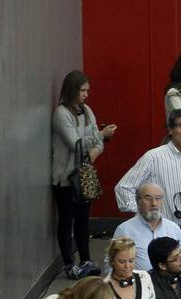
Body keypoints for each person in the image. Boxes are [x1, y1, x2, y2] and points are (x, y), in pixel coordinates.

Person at [114, 109, 181, 266]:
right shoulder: (154, 157)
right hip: (169, 233)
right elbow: (123, 188)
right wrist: (147, 212)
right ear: (170, 129)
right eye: (180, 126)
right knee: (172, 282)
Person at [52, 70, 113, 278]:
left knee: (83, 220)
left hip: (84, 175)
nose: (86, 94)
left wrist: (96, 148)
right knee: (66, 220)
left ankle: (86, 259)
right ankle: (69, 264)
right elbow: (75, 144)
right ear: (72, 90)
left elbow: (97, 143)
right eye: (83, 90)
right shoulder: (61, 114)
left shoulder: (86, 111)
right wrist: (101, 136)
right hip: (65, 178)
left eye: (87, 90)